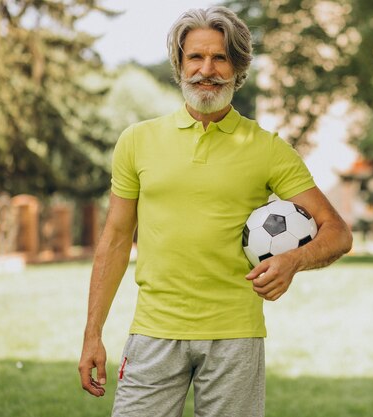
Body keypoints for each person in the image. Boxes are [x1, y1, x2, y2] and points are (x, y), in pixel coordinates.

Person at [78, 6, 352, 417]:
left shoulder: (267, 148)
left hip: (235, 337)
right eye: (196, 57)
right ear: (179, 64)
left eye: (220, 57)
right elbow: (115, 239)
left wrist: (294, 260)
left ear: (238, 66)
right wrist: (92, 334)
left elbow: (338, 232)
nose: (207, 69)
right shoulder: (137, 142)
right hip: (153, 332)